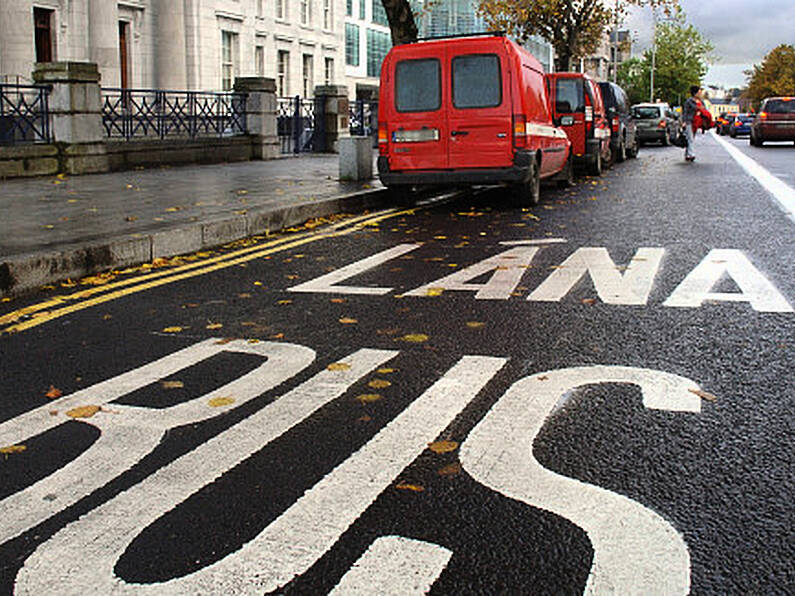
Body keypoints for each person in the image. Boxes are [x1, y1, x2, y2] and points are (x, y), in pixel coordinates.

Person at [681, 85, 713, 162]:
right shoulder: (689, 101)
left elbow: (704, 110)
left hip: (697, 122)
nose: (701, 93)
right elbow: (685, 112)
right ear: (695, 93)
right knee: (690, 138)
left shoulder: (701, 102)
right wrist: (683, 122)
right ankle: (691, 154)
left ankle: (687, 155)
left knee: (690, 138)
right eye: (699, 92)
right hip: (689, 121)